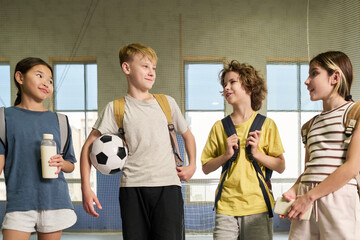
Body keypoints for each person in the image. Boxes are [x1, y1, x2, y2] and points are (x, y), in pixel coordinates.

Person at [80, 43, 196, 240]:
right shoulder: (116, 108)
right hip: (132, 189)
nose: (151, 72)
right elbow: (87, 147)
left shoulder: (167, 103)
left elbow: (188, 135)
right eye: (145, 66)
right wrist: (85, 188)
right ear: (126, 68)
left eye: (154, 68)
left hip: (168, 188)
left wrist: (192, 165)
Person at [201, 60, 285, 240]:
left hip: (258, 207)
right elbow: (206, 167)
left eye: (232, 82)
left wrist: (257, 154)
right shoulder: (219, 127)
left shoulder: (267, 125)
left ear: (249, 85)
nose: (226, 87)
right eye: (224, 84)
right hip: (226, 207)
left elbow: (280, 166)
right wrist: (226, 155)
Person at [280, 51, 360, 239]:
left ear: (335, 77)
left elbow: (353, 166)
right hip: (306, 198)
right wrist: (294, 190)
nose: (307, 81)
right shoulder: (309, 126)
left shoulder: (355, 112)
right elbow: (310, 169)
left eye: (314, 73)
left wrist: (309, 197)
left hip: (338, 198)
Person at [0, 57, 77, 240]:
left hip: (55, 201)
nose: (46, 83)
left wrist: (62, 163)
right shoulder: (4, 118)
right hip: (19, 203)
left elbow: (70, 164)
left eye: (50, 80)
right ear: (20, 77)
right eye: (39, 75)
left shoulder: (61, 121)